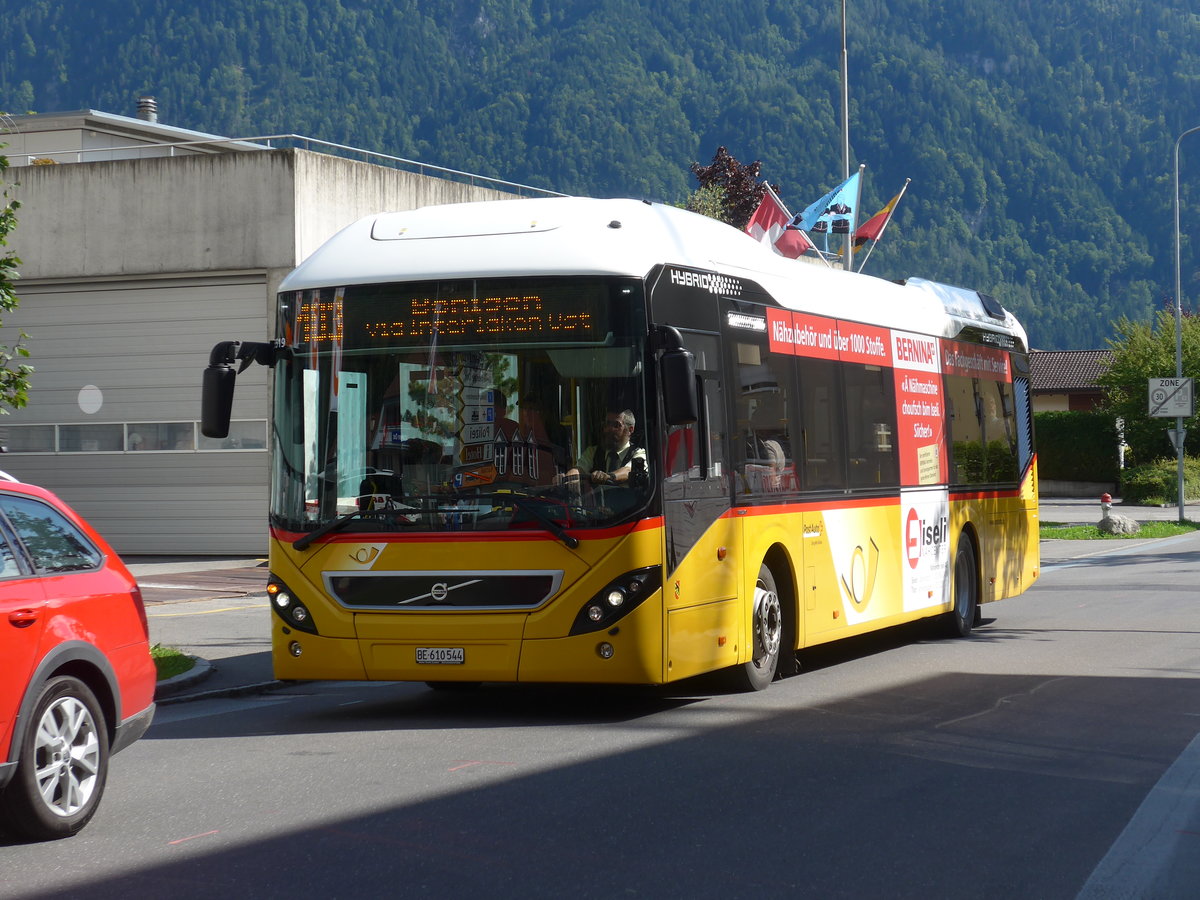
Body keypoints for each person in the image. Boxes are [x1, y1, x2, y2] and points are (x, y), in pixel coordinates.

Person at [566, 409, 646, 487]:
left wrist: (609, 477)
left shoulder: (638, 453)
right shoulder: (593, 452)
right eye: (607, 424)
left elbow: (629, 470)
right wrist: (566, 479)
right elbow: (578, 470)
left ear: (630, 430)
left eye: (616, 425)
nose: (608, 429)